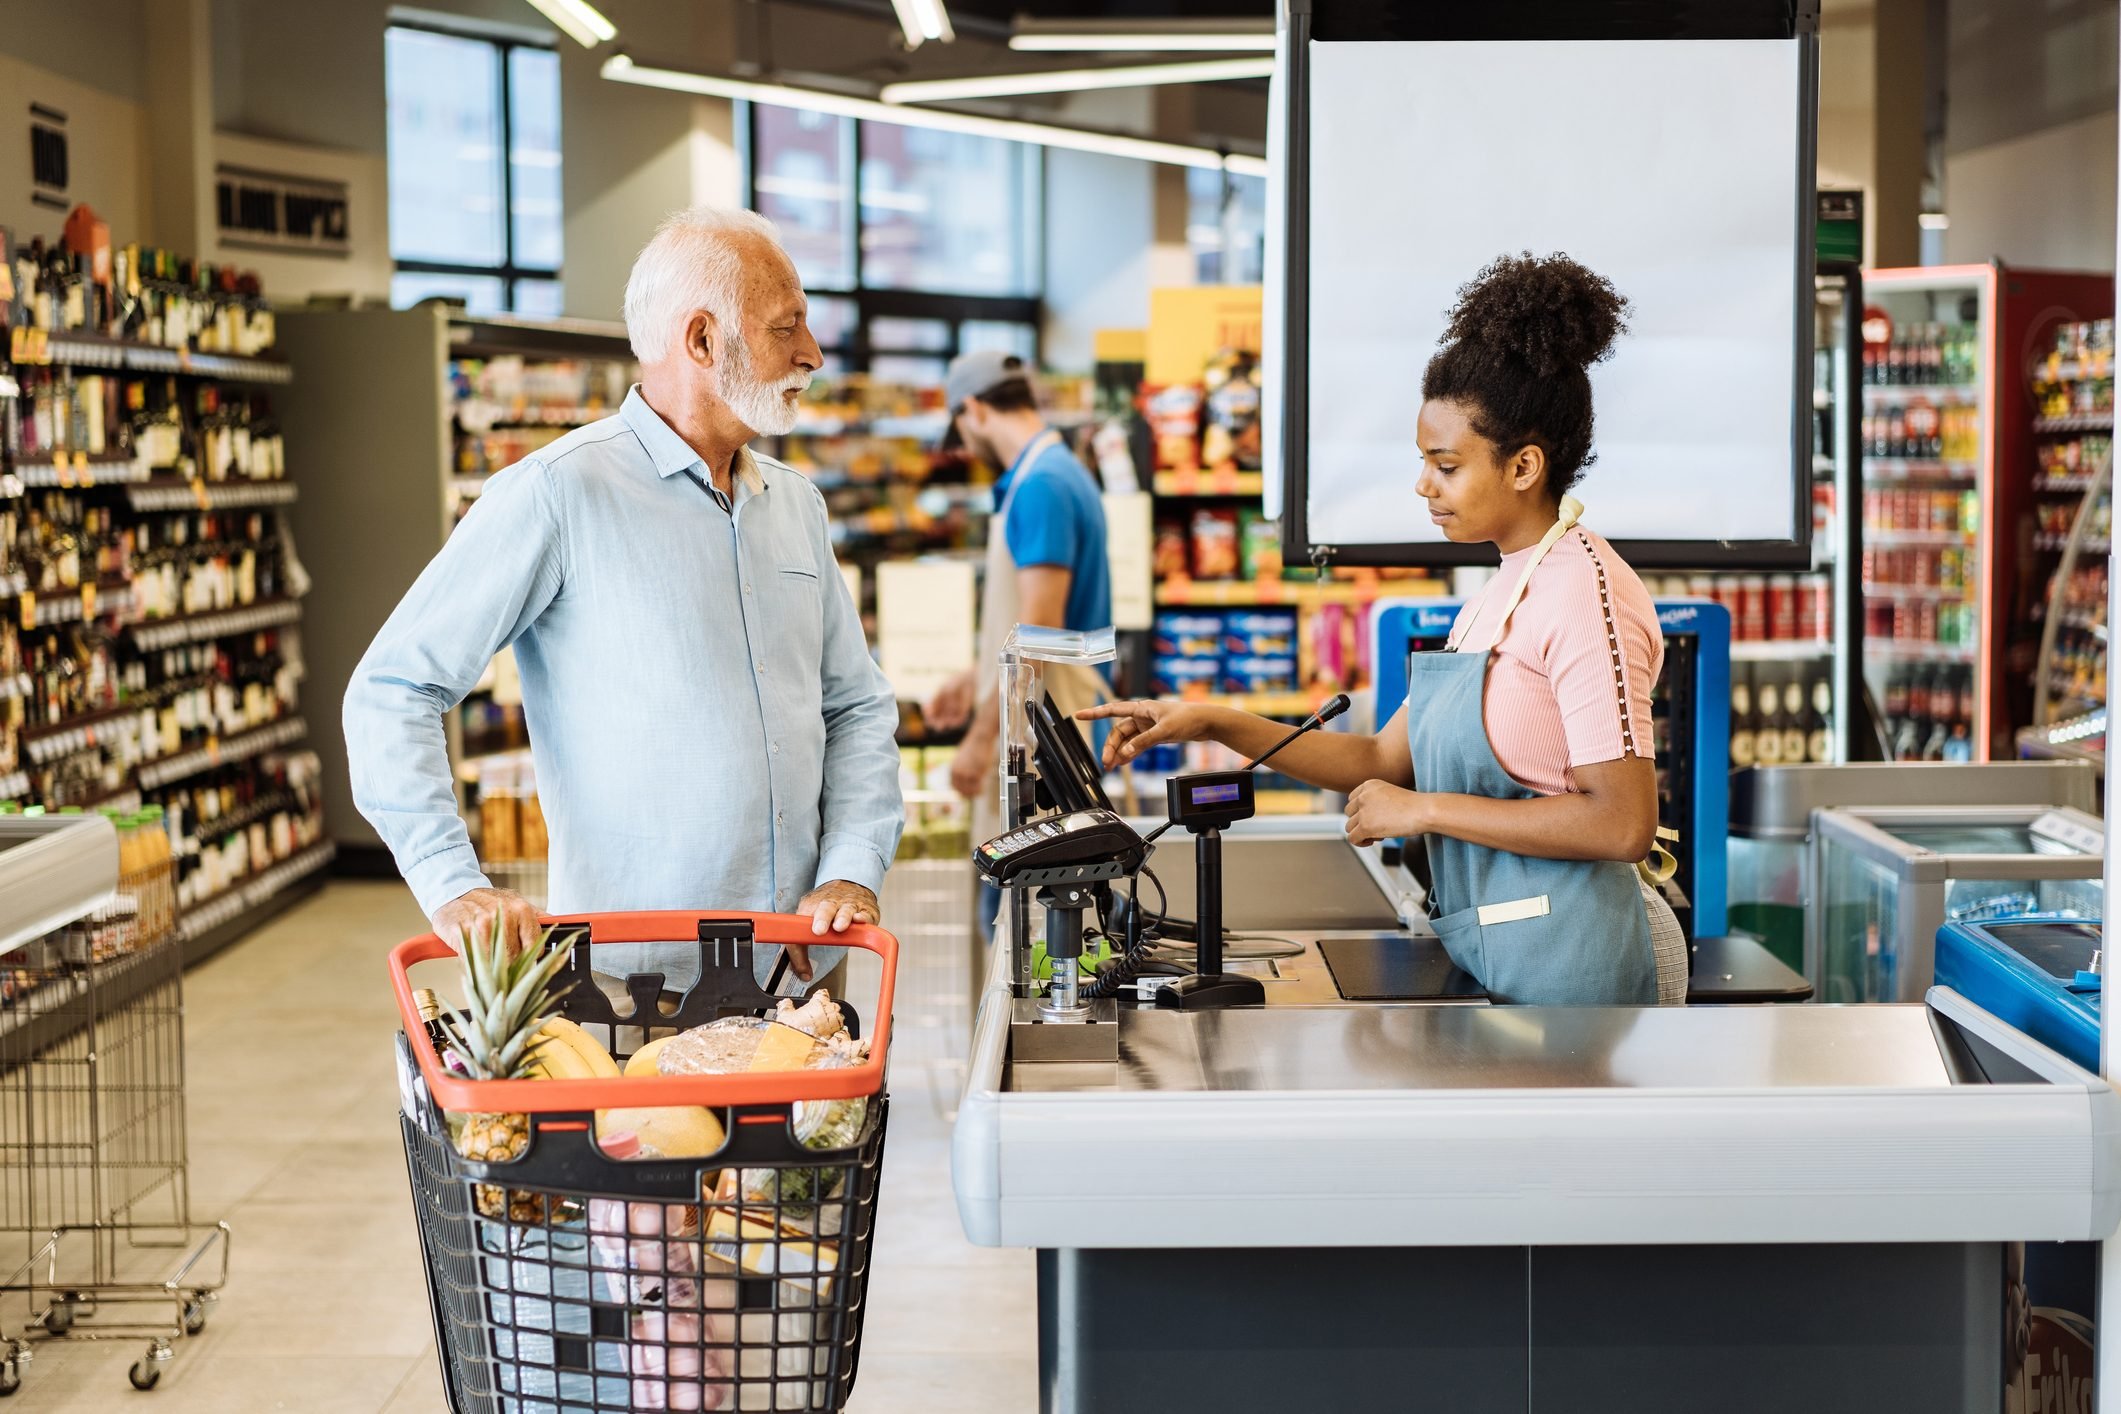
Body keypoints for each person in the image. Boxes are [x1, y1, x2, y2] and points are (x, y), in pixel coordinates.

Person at [1082, 253, 1686, 1006]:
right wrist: (1208, 719)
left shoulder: (1586, 598)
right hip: (1499, 952)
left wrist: (1422, 810)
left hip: (1575, 977)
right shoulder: (1498, 588)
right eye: (1423, 461)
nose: (1422, 485)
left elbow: (1622, 822)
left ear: (1525, 465)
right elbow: (1378, 757)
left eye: (1445, 464)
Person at [345, 207, 903, 986]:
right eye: (787, 327)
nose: (811, 353)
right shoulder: (556, 494)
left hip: (803, 969)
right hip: (638, 989)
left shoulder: (795, 505)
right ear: (703, 339)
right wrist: (453, 884)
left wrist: (850, 868)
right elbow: (392, 688)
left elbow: (854, 708)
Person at [923, 351, 1112, 929]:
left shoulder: (1042, 486)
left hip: (1039, 758)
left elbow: (1040, 635)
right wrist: (974, 678)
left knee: (1021, 931)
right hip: (1043, 736)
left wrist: (980, 744)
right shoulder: (1055, 473)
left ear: (974, 410)